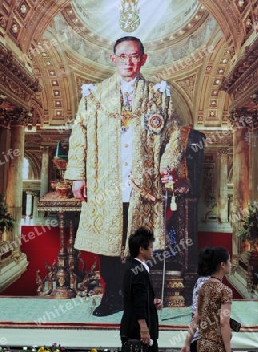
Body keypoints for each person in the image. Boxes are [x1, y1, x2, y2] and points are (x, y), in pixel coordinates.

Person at [64, 36, 182, 316]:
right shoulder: (94, 96)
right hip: (105, 183)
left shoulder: (158, 96)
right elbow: (78, 136)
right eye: (122, 56)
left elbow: (174, 135)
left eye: (134, 56)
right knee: (109, 244)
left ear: (143, 58)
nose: (128, 62)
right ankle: (112, 296)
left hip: (145, 186)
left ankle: (137, 298)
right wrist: (78, 176)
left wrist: (167, 165)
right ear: (113, 58)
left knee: (139, 245)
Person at [88, 227, 165, 352]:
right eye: (151, 246)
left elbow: (137, 298)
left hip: (133, 327)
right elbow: (138, 301)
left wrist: (152, 302)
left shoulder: (132, 267)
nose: (153, 250)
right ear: (142, 249)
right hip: (139, 330)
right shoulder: (138, 270)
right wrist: (144, 328)